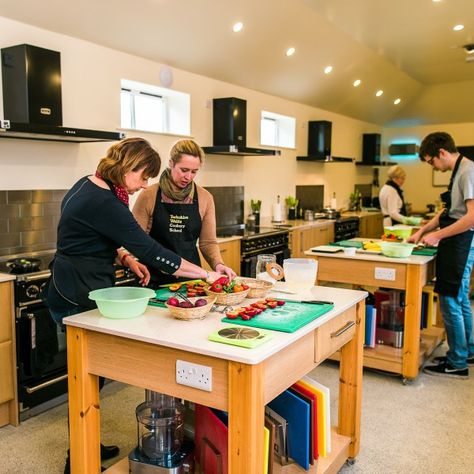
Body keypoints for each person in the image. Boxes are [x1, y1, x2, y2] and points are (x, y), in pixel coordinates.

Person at [44, 137, 221, 473]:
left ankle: (87, 443)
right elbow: (150, 248)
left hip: (78, 283)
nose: (145, 184)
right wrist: (206, 275)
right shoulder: (106, 201)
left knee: (90, 376)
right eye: (143, 176)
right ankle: (77, 461)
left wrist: (125, 258)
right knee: (85, 378)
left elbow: (100, 237)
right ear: (129, 167)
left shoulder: (90, 184)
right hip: (76, 289)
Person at [408, 132, 474, 379]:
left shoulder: (467, 171)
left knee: (450, 300)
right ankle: (467, 351)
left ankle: (457, 362)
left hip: (462, 242)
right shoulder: (459, 170)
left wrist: (438, 236)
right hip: (457, 241)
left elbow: (470, 217)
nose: (433, 166)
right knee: (460, 299)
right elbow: (448, 210)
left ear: (442, 153)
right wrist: (423, 231)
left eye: (431, 161)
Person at [132, 139, 236, 288]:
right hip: (152, 279)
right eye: (184, 170)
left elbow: (208, 242)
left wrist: (218, 264)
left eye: (194, 172)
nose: (188, 177)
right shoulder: (149, 195)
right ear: (171, 163)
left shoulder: (205, 198)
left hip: (190, 280)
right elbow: (136, 240)